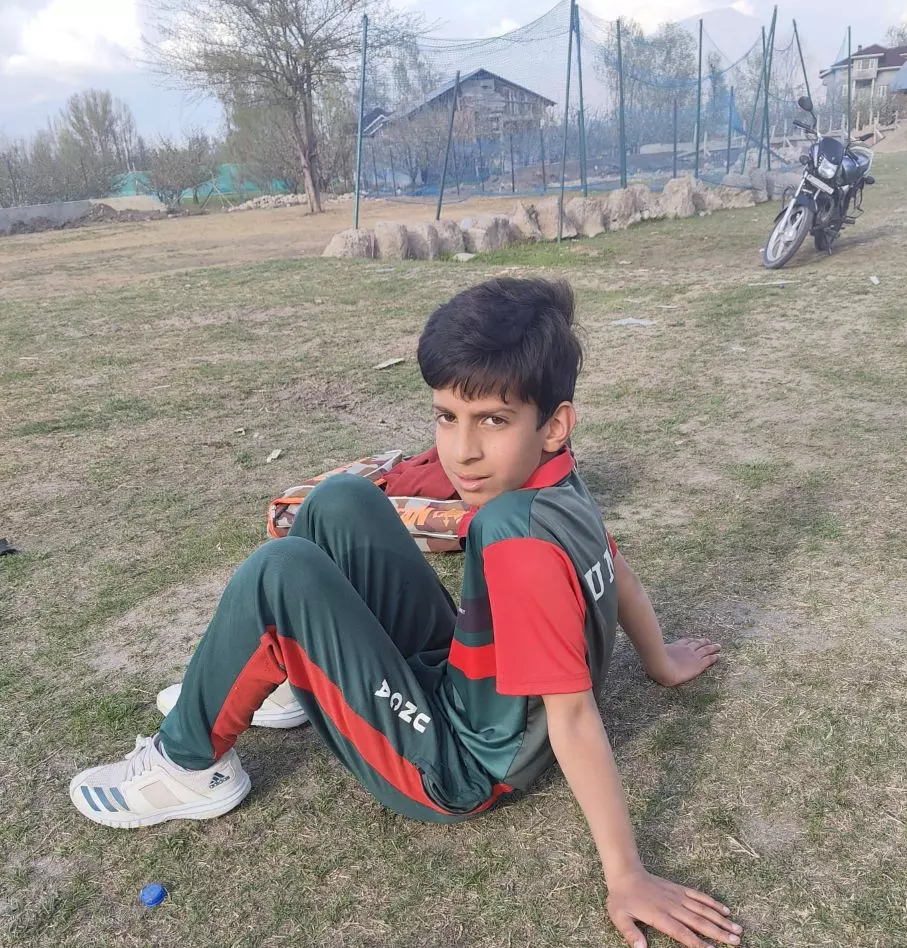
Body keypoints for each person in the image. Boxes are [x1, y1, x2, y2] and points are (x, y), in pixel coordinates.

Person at [70, 278, 741, 948]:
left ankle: (187, 766)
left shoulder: (519, 545)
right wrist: (660, 661)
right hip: (469, 686)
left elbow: (570, 714)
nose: (463, 450)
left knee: (279, 572)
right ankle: (283, 678)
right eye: (448, 416)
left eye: (493, 421)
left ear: (553, 422)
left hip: (457, 766)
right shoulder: (557, 474)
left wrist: (626, 874)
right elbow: (613, 568)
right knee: (341, 501)